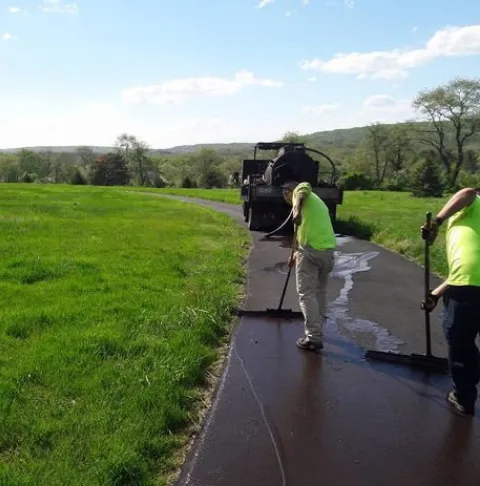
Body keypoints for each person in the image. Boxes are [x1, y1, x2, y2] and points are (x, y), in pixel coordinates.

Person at [421, 187, 480, 417]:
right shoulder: (470, 223)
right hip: (467, 283)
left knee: (458, 336)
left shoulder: (473, 201)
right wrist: (436, 294)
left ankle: (463, 394)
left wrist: (436, 221)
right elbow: (465, 270)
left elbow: (467, 192)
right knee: (462, 336)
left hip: (470, 286)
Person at [282, 181, 336, 352]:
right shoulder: (315, 203)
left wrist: (296, 210)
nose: (287, 200)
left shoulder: (301, 191)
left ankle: (313, 337)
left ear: (288, 191)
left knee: (306, 294)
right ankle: (318, 328)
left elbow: (303, 189)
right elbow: (309, 230)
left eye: (286, 195)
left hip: (312, 252)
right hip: (327, 251)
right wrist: (297, 253)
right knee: (320, 291)